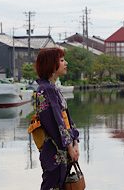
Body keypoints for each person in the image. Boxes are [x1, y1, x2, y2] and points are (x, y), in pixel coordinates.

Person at [34, 47, 80, 190]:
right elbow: (55, 123)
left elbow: (67, 118)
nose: (65, 63)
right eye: (61, 60)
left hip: (62, 148)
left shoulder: (52, 88)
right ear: (51, 64)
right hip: (54, 149)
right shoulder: (46, 89)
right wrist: (70, 146)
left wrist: (75, 141)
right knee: (52, 184)